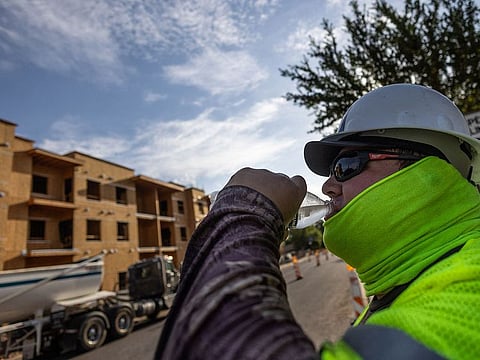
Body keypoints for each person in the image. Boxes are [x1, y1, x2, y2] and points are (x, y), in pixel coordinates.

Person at [155, 84, 480, 359]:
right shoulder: (427, 278)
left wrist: (245, 215)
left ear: (426, 173)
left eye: (347, 165)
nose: (327, 186)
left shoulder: (467, 295)